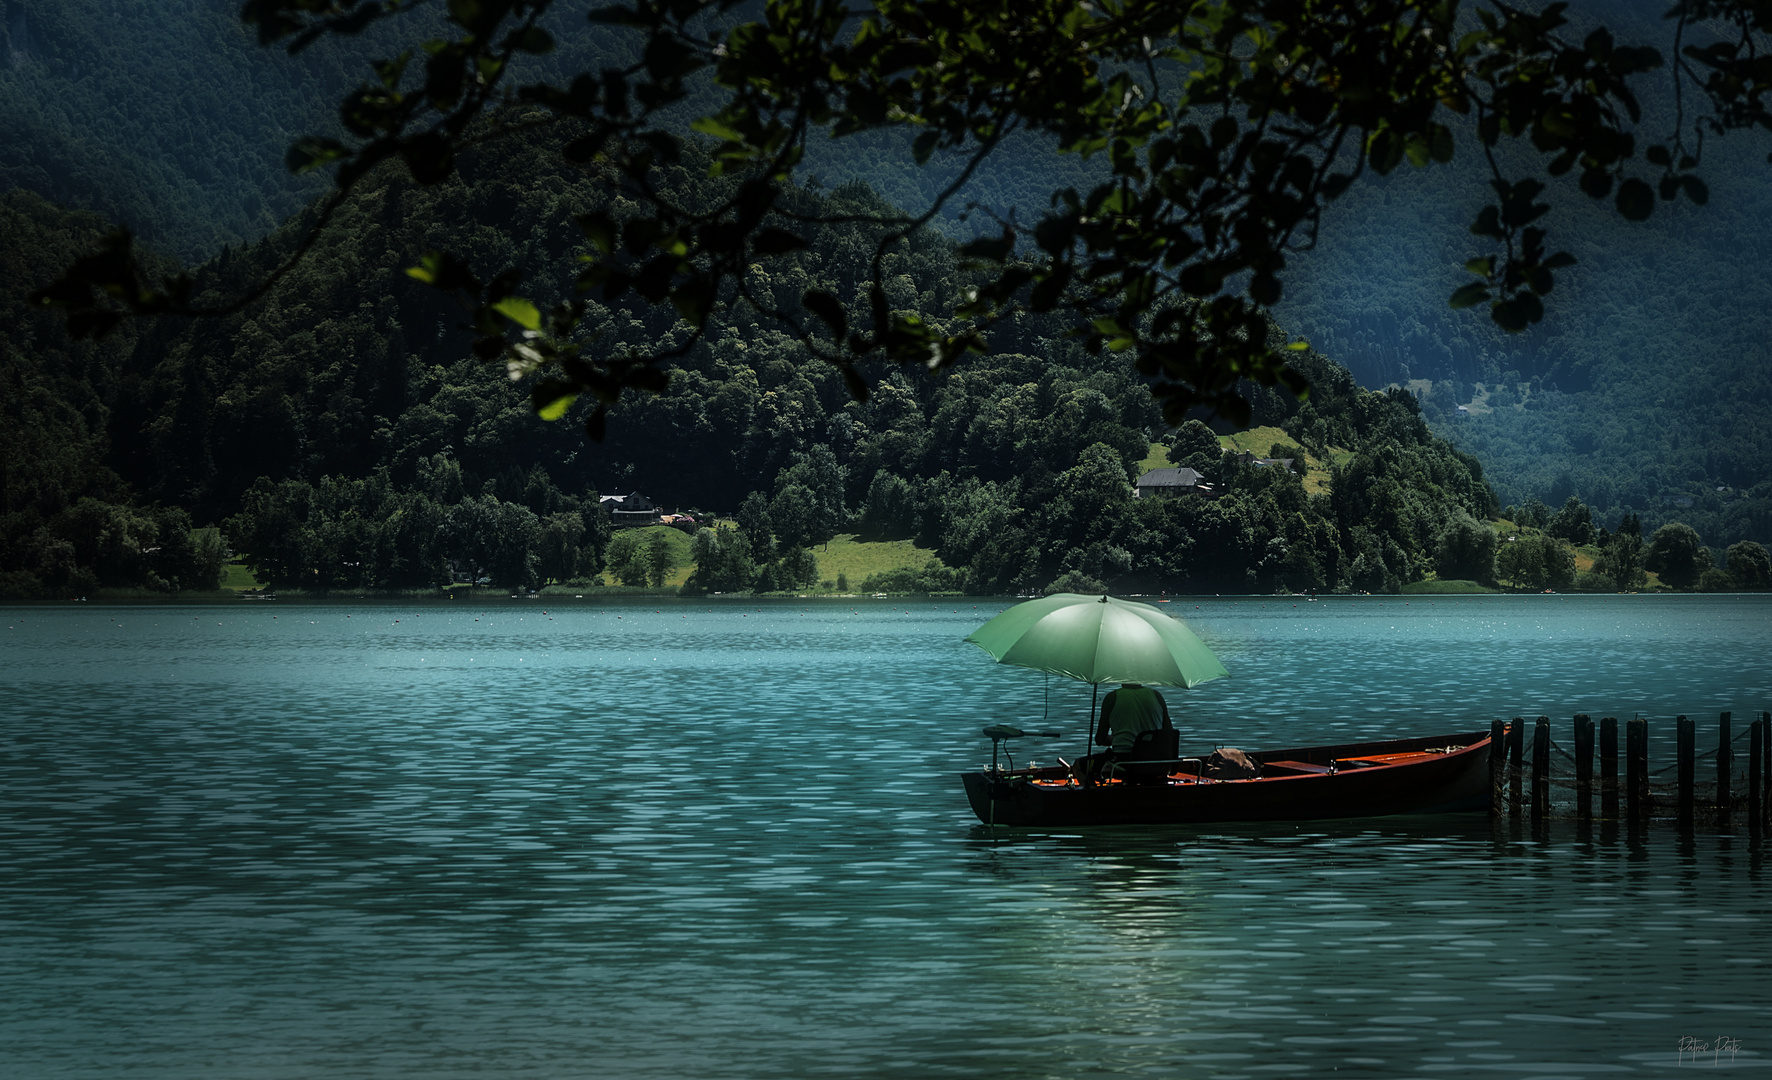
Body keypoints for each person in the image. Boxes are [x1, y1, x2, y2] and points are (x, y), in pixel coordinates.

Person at [1095, 682, 1172, 754]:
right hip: (1152, 758)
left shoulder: (1112, 698)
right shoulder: (1157, 696)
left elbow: (1100, 739)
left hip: (1123, 758)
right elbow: (1169, 733)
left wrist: (1117, 738)